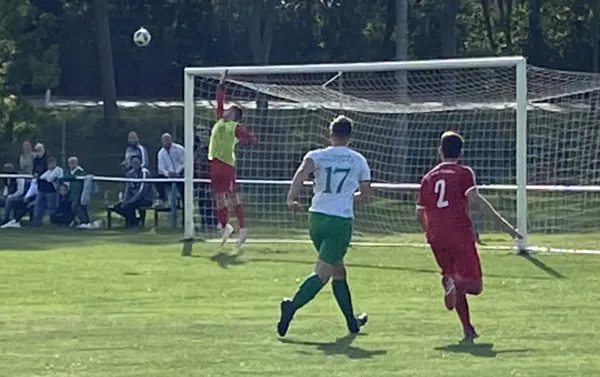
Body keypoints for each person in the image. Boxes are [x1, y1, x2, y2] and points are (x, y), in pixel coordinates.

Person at [416, 131, 522, 343]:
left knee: (455, 280)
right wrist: (506, 226)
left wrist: (431, 233)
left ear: (439, 150)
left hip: (436, 235)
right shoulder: (464, 173)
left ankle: (467, 328)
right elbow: (477, 201)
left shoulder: (428, 177)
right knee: (474, 285)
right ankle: (455, 286)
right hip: (459, 233)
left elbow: (419, 212)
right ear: (461, 152)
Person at [277, 115, 371, 337]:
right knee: (323, 273)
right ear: (350, 136)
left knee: (338, 270)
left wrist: (291, 198)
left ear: (330, 134)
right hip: (339, 221)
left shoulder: (316, 155)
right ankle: (292, 305)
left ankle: (352, 322)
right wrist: (349, 197)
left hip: (316, 218)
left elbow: (301, 173)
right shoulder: (357, 159)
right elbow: (366, 194)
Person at [209, 70, 257, 248]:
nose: (226, 110)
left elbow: (251, 137)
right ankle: (225, 226)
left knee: (233, 196)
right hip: (214, 163)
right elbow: (219, 100)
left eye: (230, 110)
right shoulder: (220, 120)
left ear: (234, 114)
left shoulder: (235, 127)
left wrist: (249, 140)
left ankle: (243, 227)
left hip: (226, 165)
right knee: (219, 198)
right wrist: (221, 84)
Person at [112, 155, 153, 227]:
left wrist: (130, 201)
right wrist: (125, 200)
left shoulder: (145, 173)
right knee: (117, 207)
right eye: (133, 162)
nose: (135, 164)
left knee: (129, 205)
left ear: (140, 163)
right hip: (133, 198)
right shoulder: (129, 174)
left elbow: (142, 190)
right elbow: (128, 189)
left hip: (145, 198)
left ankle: (134, 222)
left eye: (137, 162)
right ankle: (134, 221)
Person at [155, 133, 185, 208]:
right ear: (162, 142)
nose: (167, 142)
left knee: (184, 186)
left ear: (171, 140)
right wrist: (168, 174)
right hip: (168, 176)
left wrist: (177, 172)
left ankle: (185, 204)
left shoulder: (179, 149)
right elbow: (161, 168)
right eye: (165, 140)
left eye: (168, 140)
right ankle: (162, 200)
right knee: (158, 180)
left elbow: (185, 162)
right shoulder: (161, 153)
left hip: (180, 175)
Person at [62, 156, 92, 228]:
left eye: (72, 163)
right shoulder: (69, 172)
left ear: (75, 163)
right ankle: (85, 221)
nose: (70, 165)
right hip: (72, 193)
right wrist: (73, 177)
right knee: (77, 207)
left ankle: (84, 221)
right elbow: (65, 177)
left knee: (77, 206)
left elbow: (81, 177)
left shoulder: (80, 171)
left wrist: (73, 177)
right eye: (69, 163)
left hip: (80, 192)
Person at [33, 156, 63, 226]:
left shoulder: (58, 169)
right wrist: (48, 177)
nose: (51, 165)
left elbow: (49, 179)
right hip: (45, 190)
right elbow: (41, 177)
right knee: (40, 206)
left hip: (55, 190)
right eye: (50, 163)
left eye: (53, 163)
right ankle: (37, 222)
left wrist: (48, 177)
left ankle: (55, 222)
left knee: (52, 207)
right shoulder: (49, 171)